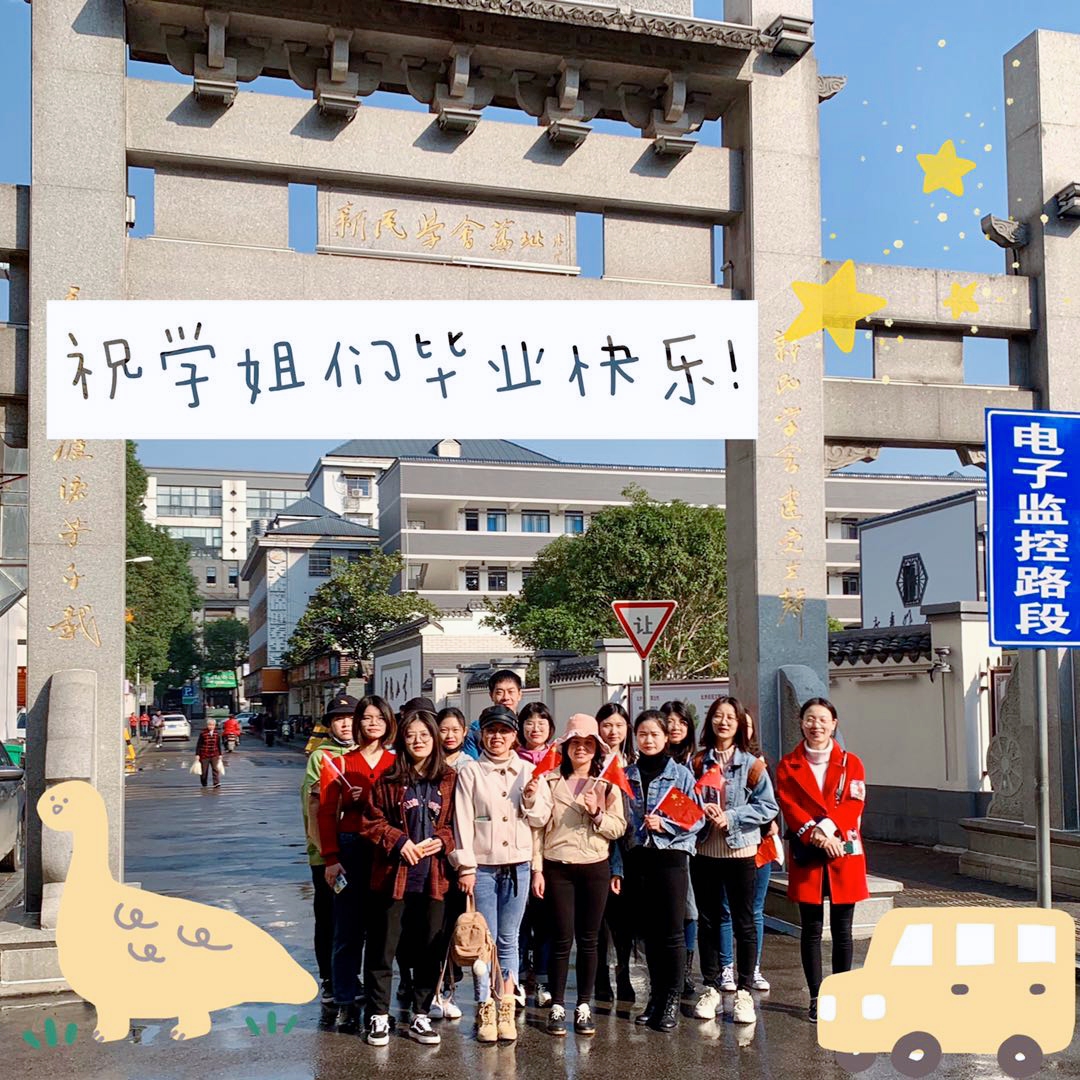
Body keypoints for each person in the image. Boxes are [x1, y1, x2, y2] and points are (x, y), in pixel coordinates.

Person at [523, 714, 625, 1037]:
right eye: (575, 743)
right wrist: (537, 869)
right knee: (561, 938)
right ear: (565, 746)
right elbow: (538, 828)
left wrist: (597, 812)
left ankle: (583, 1005)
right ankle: (557, 1005)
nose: (581, 748)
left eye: (588, 743)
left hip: (595, 866)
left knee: (589, 939)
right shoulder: (549, 780)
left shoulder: (607, 783)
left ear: (597, 748)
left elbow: (618, 827)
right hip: (558, 866)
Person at [360, 710, 457, 1048]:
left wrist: (442, 841)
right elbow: (370, 822)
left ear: (435, 739)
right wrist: (399, 841)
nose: (418, 741)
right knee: (383, 947)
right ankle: (378, 1014)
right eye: (411, 735)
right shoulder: (387, 779)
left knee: (430, 947)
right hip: (393, 878)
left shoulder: (449, 779)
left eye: (425, 735)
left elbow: (458, 823)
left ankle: (420, 1012)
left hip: (434, 878)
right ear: (402, 739)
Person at [452, 704, 546, 1042]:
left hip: (518, 864)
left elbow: (539, 820)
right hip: (483, 867)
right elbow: (462, 821)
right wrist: (465, 865)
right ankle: (485, 1007)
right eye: (491, 730)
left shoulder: (527, 770)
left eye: (504, 731)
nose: (497, 736)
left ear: (514, 735)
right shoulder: (471, 772)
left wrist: (532, 798)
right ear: (482, 734)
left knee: (509, 939)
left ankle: (506, 1003)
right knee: (484, 942)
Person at [776, 697, 869, 1024]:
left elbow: (855, 803)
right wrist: (814, 834)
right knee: (811, 929)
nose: (816, 725)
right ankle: (816, 997)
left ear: (834, 724)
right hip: (809, 852)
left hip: (843, 849)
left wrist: (827, 829)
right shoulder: (788, 764)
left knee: (843, 929)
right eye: (810, 719)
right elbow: (788, 804)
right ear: (801, 723)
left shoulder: (851, 763)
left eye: (823, 719)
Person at [689, 696, 778, 1027]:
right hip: (704, 851)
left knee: (744, 921)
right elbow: (684, 801)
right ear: (710, 721)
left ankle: (744, 991)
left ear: (740, 724)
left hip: (741, 852)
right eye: (718, 716)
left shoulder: (753, 765)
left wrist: (733, 816)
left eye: (730, 717)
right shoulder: (698, 762)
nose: (723, 722)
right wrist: (700, 810)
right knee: (708, 921)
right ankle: (711, 986)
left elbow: (768, 806)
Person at [315, 695, 396, 1033]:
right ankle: (345, 1001)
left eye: (379, 717)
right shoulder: (339, 763)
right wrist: (331, 859)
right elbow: (325, 813)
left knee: (382, 931)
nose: (373, 723)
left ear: (389, 722)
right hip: (350, 850)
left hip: (387, 852)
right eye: (367, 717)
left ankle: (379, 1006)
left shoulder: (398, 762)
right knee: (347, 931)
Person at [624, 709, 703, 1031]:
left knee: (671, 932)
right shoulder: (627, 775)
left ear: (666, 737)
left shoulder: (679, 775)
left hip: (671, 859)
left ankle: (671, 998)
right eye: (643, 734)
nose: (648, 740)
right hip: (638, 858)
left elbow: (695, 819)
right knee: (649, 934)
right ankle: (655, 997)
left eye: (655, 734)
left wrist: (665, 825)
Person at [715, 710, 780, 993]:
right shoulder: (711, 762)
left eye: (747, 725)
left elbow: (771, 806)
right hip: (723, 847)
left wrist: (767, 823)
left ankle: (752, 968)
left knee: (754, 910)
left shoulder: (758, 765)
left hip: (758, 846)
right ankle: (726, 967)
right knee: (725, 910)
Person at [301, 695, 358, 1009]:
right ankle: (330, 978)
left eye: (351, 718)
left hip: (359, 849)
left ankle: (350, 975)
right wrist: (325, 852)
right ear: (330, 724)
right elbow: (314, 808)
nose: (346, 724)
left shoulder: (367, 752)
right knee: (328, 918)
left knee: (355, 919)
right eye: (339, 719)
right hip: (327, 853)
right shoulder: (320, 757)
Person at [594, 702, 636, 1005]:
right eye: (607, 725)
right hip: (599, 847)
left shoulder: (634, 763)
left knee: (624, 920)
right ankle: (600, 976)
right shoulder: (592, 763)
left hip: (631, 849)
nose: (613, 731)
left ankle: (623, 973)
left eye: (619, 725)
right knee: (599, 919)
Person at [515, 701, 555, 1005]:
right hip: (518, 848)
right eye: (529, 722)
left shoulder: (559, 760)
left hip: (551, 850)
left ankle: (542, 978)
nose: (535, 727)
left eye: (541, 722)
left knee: (545, 919)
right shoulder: (512, 760)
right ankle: (515, 978)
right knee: (518, 920)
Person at [660, 700, 698, 996]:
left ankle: (685, 970)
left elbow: (693, 812)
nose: (675, 727)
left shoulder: (696, 763)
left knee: (690, 909)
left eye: (681, 722)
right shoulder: (651, 761)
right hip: (665, 848)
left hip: (697, 845)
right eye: (669, 721)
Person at [463, 670, 522, 759]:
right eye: (499, 692)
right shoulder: (476, 730)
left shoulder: (527, 726)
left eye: (511, 692)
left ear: (519, 695)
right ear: (491, 695)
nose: (506, 697)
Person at [195, 718, 223, 788]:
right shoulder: (203, 733)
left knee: (215, 769)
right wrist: (197, 754)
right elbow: (199, 744)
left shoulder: (217, 733)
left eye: (213, 725)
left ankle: (216, 783)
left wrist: (220, 754)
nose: (211, 726)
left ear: (215, 726)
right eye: (210, 725)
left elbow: (218, 744)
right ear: (207, 725)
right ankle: (204, 783)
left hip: (214, 754)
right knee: (204, 771)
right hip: (204, 754)